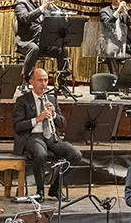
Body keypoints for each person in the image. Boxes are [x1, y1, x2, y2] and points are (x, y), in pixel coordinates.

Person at [12, 67, 82, 200]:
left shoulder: (52, 99)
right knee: (40, 154)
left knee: (76, 155)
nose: (44, 84)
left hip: (51, 136)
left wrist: (54, 114)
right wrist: (37, 119)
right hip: (33, 136)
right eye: (40, 80)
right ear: (31, 82)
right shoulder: (23, 101)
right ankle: (40, 191)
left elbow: (62, 124)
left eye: (45, 80)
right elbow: (17, 126)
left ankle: (55, 189)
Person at [14, 0, 68, 86]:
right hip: (26, 41)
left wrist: (56, 12)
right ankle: (26, 80)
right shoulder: (21, 4)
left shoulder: (42, 4)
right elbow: (25, 18)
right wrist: (42, 8)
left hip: (42, 41)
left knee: (62, 49)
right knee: (34, 49)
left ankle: (62, 81)